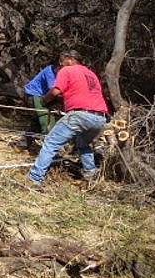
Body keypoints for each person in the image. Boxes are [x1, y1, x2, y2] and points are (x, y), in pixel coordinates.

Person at [26, 50, 109, 186]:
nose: (60, 64)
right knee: (83, 144)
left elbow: (55, 91)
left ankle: (34, 178)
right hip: (100, 118)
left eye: (61, 61)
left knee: (50, 143)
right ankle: (91, 175)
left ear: (69, 59)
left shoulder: (67, 70)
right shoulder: (91, 74)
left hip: (80, 115)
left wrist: (44, 101)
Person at [18, 62, 59, 149]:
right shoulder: (50, 71)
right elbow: (53, 91)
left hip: (45, 97)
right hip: (35, 95)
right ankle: (51, 151)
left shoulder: (61, 73)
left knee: (38, 121)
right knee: (47, 123)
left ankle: (22, 145)